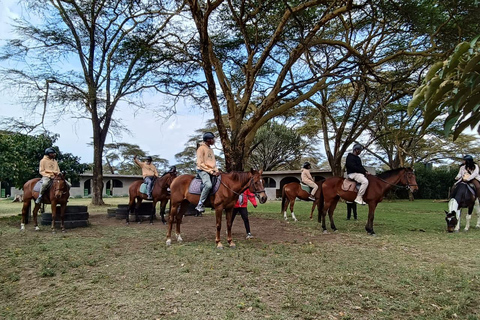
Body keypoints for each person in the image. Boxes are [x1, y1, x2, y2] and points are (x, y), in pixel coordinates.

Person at [195, 132, 220, 213]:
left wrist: (216, 171)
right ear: (208, 140)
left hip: (211, 171)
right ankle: (200, 204)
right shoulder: (201, 148)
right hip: (202, 170)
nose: (214, 140)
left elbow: (213, 162)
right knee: (208, 185)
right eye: (212, 139)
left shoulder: (210, 149)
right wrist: (211, 171)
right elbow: (200, 163)